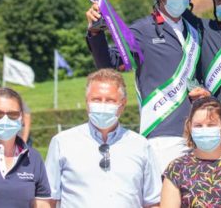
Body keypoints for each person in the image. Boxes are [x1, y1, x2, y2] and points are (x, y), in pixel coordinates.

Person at [86, 0, 208, 172]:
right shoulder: (142, 30)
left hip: (197, 131)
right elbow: (110, 64)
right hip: (161, 133)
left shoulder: (196, 31)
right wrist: (96, 34)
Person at [45, 68, 161, 207]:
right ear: (87, 102)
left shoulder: (141, 145)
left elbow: (153, 202)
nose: (103, 105)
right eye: (96, 99)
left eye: (110, 100)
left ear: (122, 105)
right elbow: (48, 199)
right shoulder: (62, 142)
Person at [161, 97, 221, 207]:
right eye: (198, 126)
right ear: (190, 127)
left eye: (211, 125)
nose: (204, 129)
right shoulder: (176, 168)